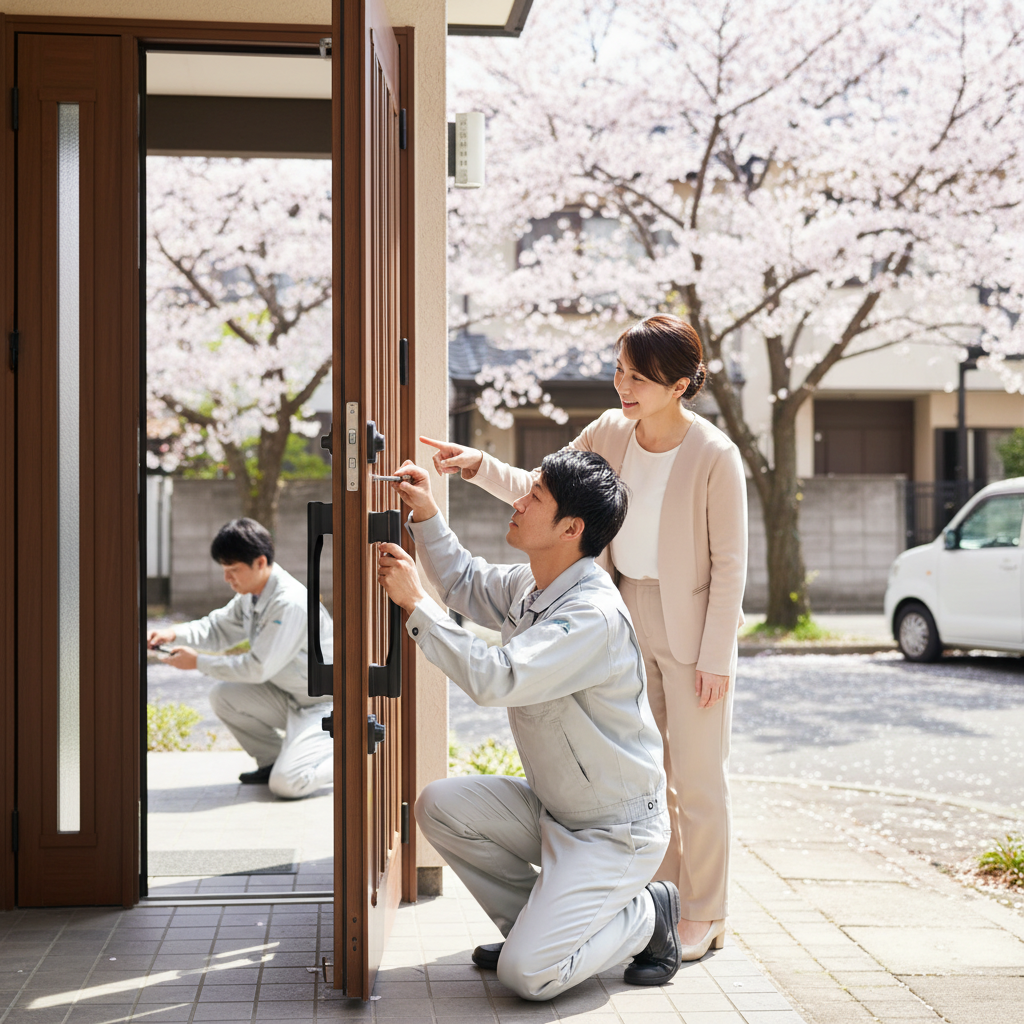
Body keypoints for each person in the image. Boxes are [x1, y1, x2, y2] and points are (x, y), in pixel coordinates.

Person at [423, 314, 747, 961]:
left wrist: (717, 658)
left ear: (679, 383)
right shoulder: (609, 431)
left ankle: (705, 913)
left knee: (698, 777)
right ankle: (660, 900)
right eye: (620, 371)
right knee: (644, 772)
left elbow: (731, 564)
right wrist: (479, 465)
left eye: (639, 377)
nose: (623, 386)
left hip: (690, 626)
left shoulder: (715, 454)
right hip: (621, 608)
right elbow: (550, 488)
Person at [375, 450, 681, 1001]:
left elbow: (500, 677)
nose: (518, 500)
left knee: (528, 978)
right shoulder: (534, 584)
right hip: (556, 810)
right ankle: (531, 932)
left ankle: (645, 915)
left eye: (534, 496)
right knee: (439, 806)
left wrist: (417, 604)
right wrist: (424, 513)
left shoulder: (591, 615)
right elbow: (467, 582)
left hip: (615, 831)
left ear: (571, 528)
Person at [147, 517, 334, 800]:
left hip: (324, 707)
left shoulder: (289, 603)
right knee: (224, 695)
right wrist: (173, 633)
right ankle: (271, 761)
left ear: (260, 562)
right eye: (224, 569)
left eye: (233, 570)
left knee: (287, 784)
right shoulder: (253, 595)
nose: (227, 578)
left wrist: (198, 662)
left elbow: (256, 668)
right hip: (291, 697)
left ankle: (352, 757)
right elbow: (217, 628)